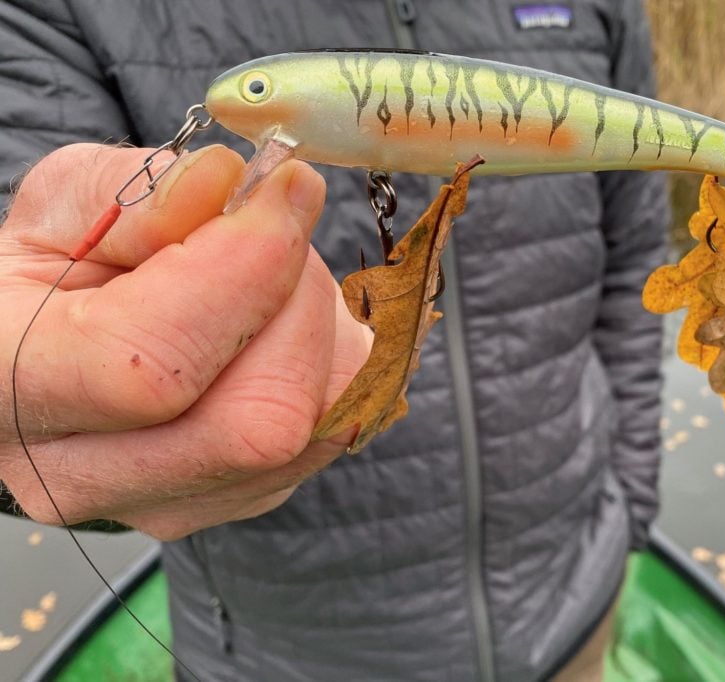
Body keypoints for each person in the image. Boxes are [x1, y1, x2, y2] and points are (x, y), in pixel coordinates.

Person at [0, 1, 667, 680]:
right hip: (276, 654)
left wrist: (633, 498)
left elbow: (637, 257)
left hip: (575, 602)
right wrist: (39, 416)